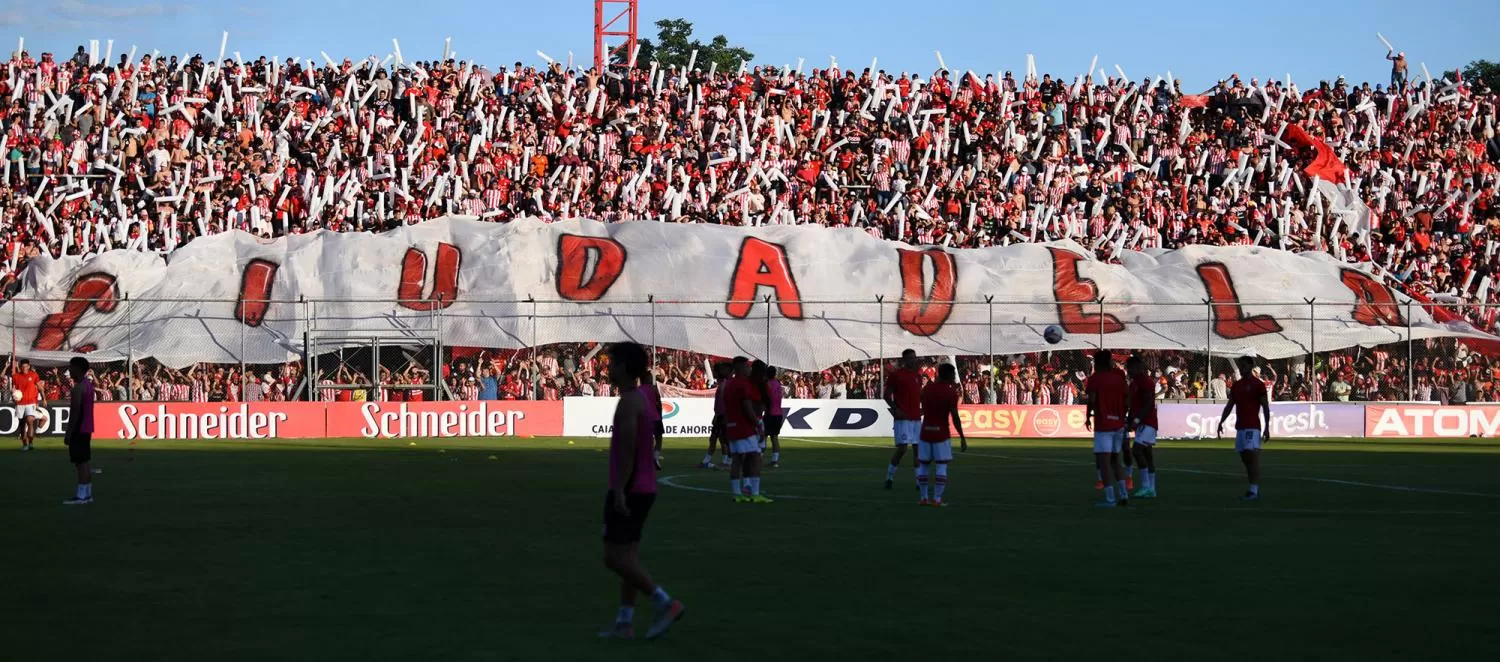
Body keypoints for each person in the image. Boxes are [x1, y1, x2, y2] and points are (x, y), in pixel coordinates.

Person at [598, 342, 685, 641]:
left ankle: (665, 602)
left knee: (613, 557)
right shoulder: (641, 398)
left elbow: (629, 451)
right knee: (629, 558)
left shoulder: (629, 403)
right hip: (644, 486)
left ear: (623, 367)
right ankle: (625, 622)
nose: (608, 367)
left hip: (632, 488)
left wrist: (620, 490)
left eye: (612, 362)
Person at [1218, 356, 1271, 500]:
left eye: (1244, 365)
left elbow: (1265, 406)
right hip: (1240, 427)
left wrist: (1267, 427)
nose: (1241, 368)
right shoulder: (1237, 385)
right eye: (1240, 366)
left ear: (1251, 366)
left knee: (1251, 455)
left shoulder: (1258, 385)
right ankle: (1253, 489)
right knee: (1245, 457)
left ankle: (1254, 490)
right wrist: (1221, 422)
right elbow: (1230, 406)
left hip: (1252, 427)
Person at [917, 363, 967, 506]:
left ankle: (923, 497)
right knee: (941, 465)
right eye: (953, 375)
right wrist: (962, 437)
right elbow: (955, 416)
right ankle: (937, 499)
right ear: (949, 375)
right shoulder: (950, 392)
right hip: (941, 433)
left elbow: (920, 402)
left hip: (925, 432)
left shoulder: (927, 389)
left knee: (924, 465)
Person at [1085, 351, 1129, 508]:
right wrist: (1122, 416)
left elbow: (1092, 399)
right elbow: (1126, 399)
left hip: (1103, 424)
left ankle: (1110, 499)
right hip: (1118, 425)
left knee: (1104, 462)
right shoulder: (1118, 378)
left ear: (1097, 363)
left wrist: (1088, 415)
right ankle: (1123, 494)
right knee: (1115, 460)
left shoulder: (1095, 379)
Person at [724, 357, 770, 503]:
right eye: (746, 366)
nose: (748, 369)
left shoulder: (729, 384)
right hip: (744, 427)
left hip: (731, 425)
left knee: (736, 459)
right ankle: (755, 493)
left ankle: (737, 493)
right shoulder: (743, 384)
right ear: (740, 367)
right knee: (755, 456)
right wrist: (757, 425)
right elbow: (747, 407)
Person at [883, 349, 922, 489]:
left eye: (914, 358)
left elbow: (918, 395)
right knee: (903, 449)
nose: (913, 360)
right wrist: (895, 409)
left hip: (916, 418)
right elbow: (886, 395)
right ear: (904, 360)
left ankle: (919, 482)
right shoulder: (896, 375)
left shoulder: (918, 376)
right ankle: (889, 477)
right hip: (903, 418)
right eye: (910, 358)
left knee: (918, 450)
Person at [63, 357, 96, 506]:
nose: (70, 370)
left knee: (80, 463)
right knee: (85, 462)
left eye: (71, 367)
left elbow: (74, 413)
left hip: (79, 428)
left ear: (78, 369)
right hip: (87, 427)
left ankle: (81, 497)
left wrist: (68, 433)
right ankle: (87, 494)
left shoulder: (78, 388)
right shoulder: (89, 385)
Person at [1126, 355, 1159, 499]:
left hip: (1148, 423)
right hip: (1142, 424)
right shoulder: (1134, 384)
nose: (1128, 371)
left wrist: (1137, 419)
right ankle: (1151, 489)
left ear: (1138, 367)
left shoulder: (1146, 382)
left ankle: (1146, 486)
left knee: (1136, 451)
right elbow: (1134, 406)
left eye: (1130, 368)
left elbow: (1148, 403)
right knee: (1147, 456)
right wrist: (1129, 420)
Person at [700, 362, 731, 469]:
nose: (713, 373)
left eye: (715, 371)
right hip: (722, 416)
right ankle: (726, 460)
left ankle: (708, 461)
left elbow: (722, 403)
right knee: (722, 440)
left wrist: (718, 415)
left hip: (722, 417)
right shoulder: (724, 384)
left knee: (717, 439)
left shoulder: (723, 385)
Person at [13, 359, 42, 451]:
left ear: (29, 366)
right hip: (20, 403)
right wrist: (13, 394)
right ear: (20, 367)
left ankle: (31, 443)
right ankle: (25, 444)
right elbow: (14, 388)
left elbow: (39, 386)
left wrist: (44, 398)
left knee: (30, 421)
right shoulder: (15, 376)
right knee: (22, 424)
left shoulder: (34, 375)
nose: (24, 368)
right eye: (23, 366)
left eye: (26, 366)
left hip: (31, 402)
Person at [764, 366, 784, 468]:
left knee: (763, 437)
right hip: (778, 414)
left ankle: (759, 458)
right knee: (774, 438)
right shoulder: (778, 384)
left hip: (769, 414)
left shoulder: (767, 384)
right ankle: (775, 460)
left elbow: (766, 399)